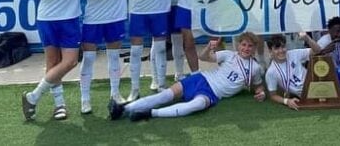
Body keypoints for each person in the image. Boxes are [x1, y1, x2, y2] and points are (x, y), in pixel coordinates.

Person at [22, 0, 93, 121]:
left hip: (70, 18)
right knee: (52, 63)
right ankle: (59, 105)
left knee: (69, 61)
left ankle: (33, 96)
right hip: (48, 18)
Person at [109, 32, 266, 120]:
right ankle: (123, 109)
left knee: (196, 105)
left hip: (212, 93)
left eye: (250, 46)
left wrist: (261, 92)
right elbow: (204, 58)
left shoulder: (256, 68)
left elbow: (258, 84)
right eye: (243, 44)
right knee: (166, 95)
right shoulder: (229, 55)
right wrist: (208, 47)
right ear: (238, 45)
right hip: (201, 79)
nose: (246, 48)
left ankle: (149, 113)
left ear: (254, 49)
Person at [78, 0, 129, 114]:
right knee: (89, 58)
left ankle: (115, 93)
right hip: (93, 18)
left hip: (115, 17)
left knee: (114, 56)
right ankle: (85, 99)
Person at [266, 34, 340, 110]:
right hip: (313, 93)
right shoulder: (271, 72)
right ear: (270, 50)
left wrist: (307, 38)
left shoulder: (292, 54)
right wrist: (287, 101)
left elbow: (318, 50)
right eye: (277, 48)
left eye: (283, 47)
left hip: (321, 75)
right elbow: (273, 96)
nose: (281, 50)